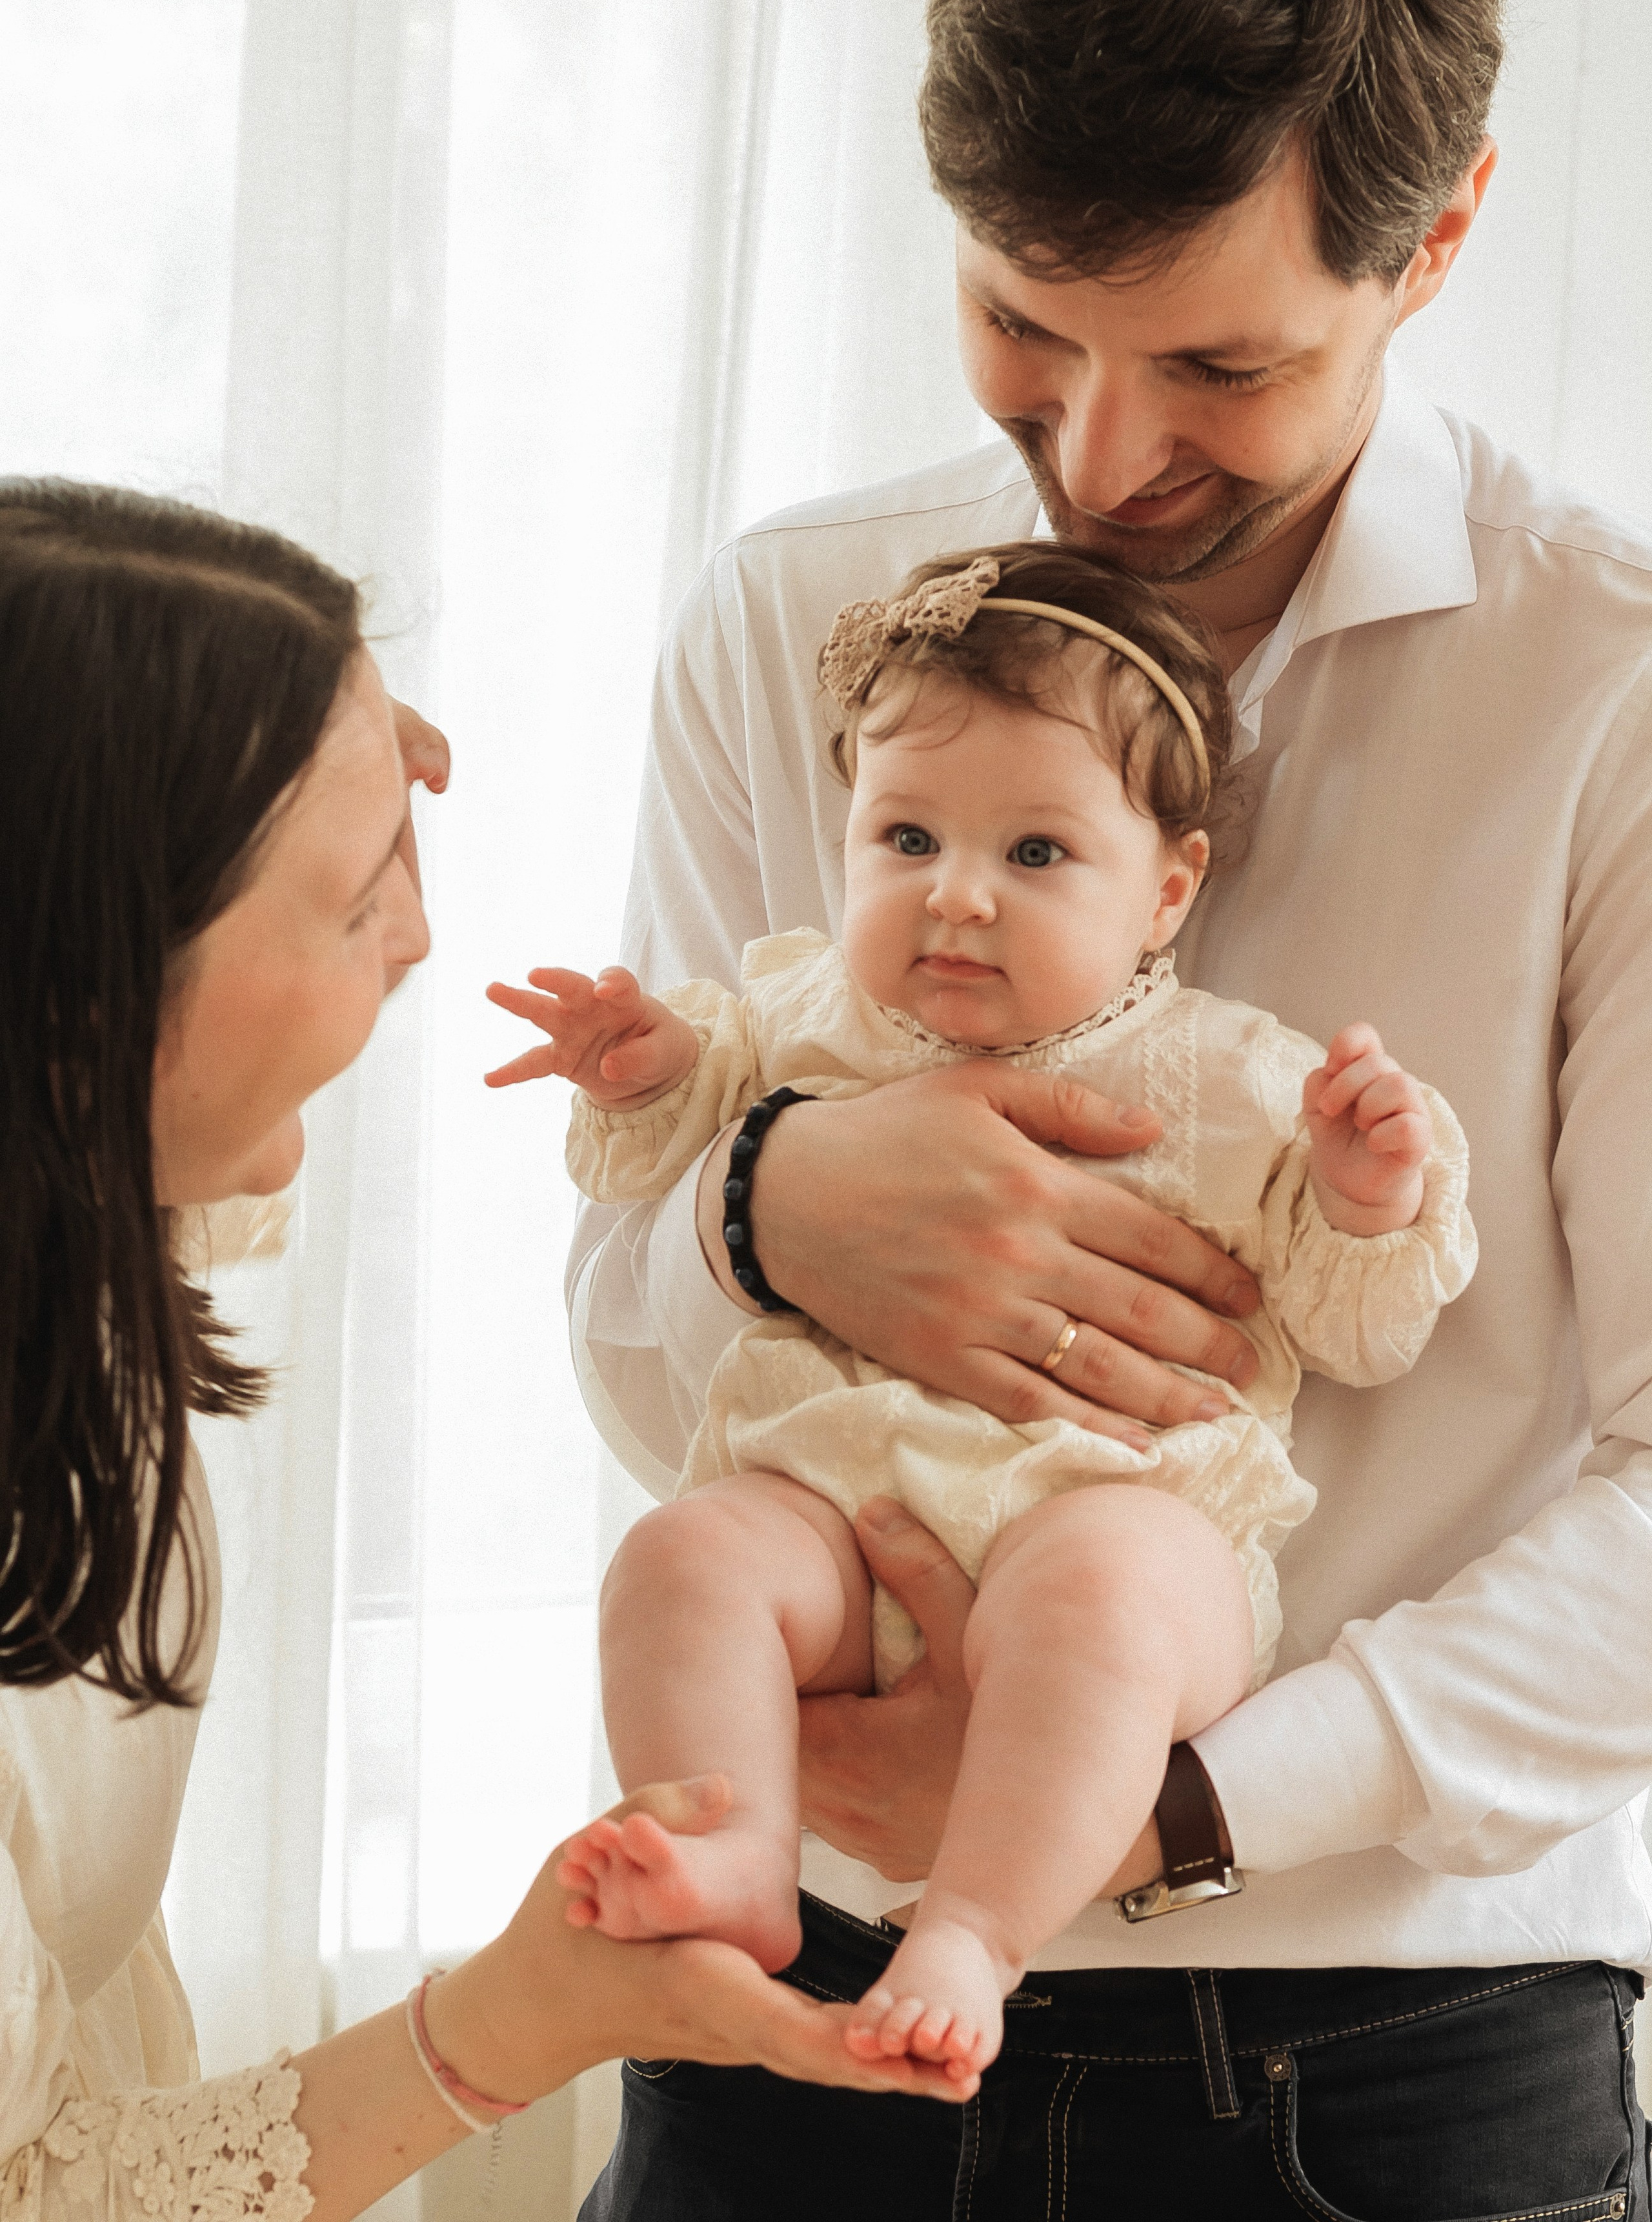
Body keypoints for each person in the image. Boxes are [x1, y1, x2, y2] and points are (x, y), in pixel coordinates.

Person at [565, 0, 1652, 2214]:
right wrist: (757, 1206)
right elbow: (629, 1330)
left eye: (1225, 369)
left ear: (1445, 233)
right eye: (1021, 326)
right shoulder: (786, 623)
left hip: (1390, 2050)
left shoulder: (1613, 689)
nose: (1104, 451)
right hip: (786, 2030)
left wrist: (1165, 1802)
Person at [0, 483, 967, 2222]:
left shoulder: (65, 1206)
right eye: (361, 886)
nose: (425, 928)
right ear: (89, 1000)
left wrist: (259, 705)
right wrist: (515, 2018)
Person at [492, 543, 1474, 2082]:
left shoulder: (1222, 1076)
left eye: (1033, 854)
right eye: (903, 837)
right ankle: (739, 1850)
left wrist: (1363, 1187)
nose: (953, 894)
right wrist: (645, 1069)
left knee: (1092, 1610)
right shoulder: (803, 1013)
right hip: (836, 1494)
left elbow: (1363, 1325)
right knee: (679, 1554)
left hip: (1113, 1505)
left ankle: (971, 1929)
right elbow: (673, 1154)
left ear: (1164, 890)